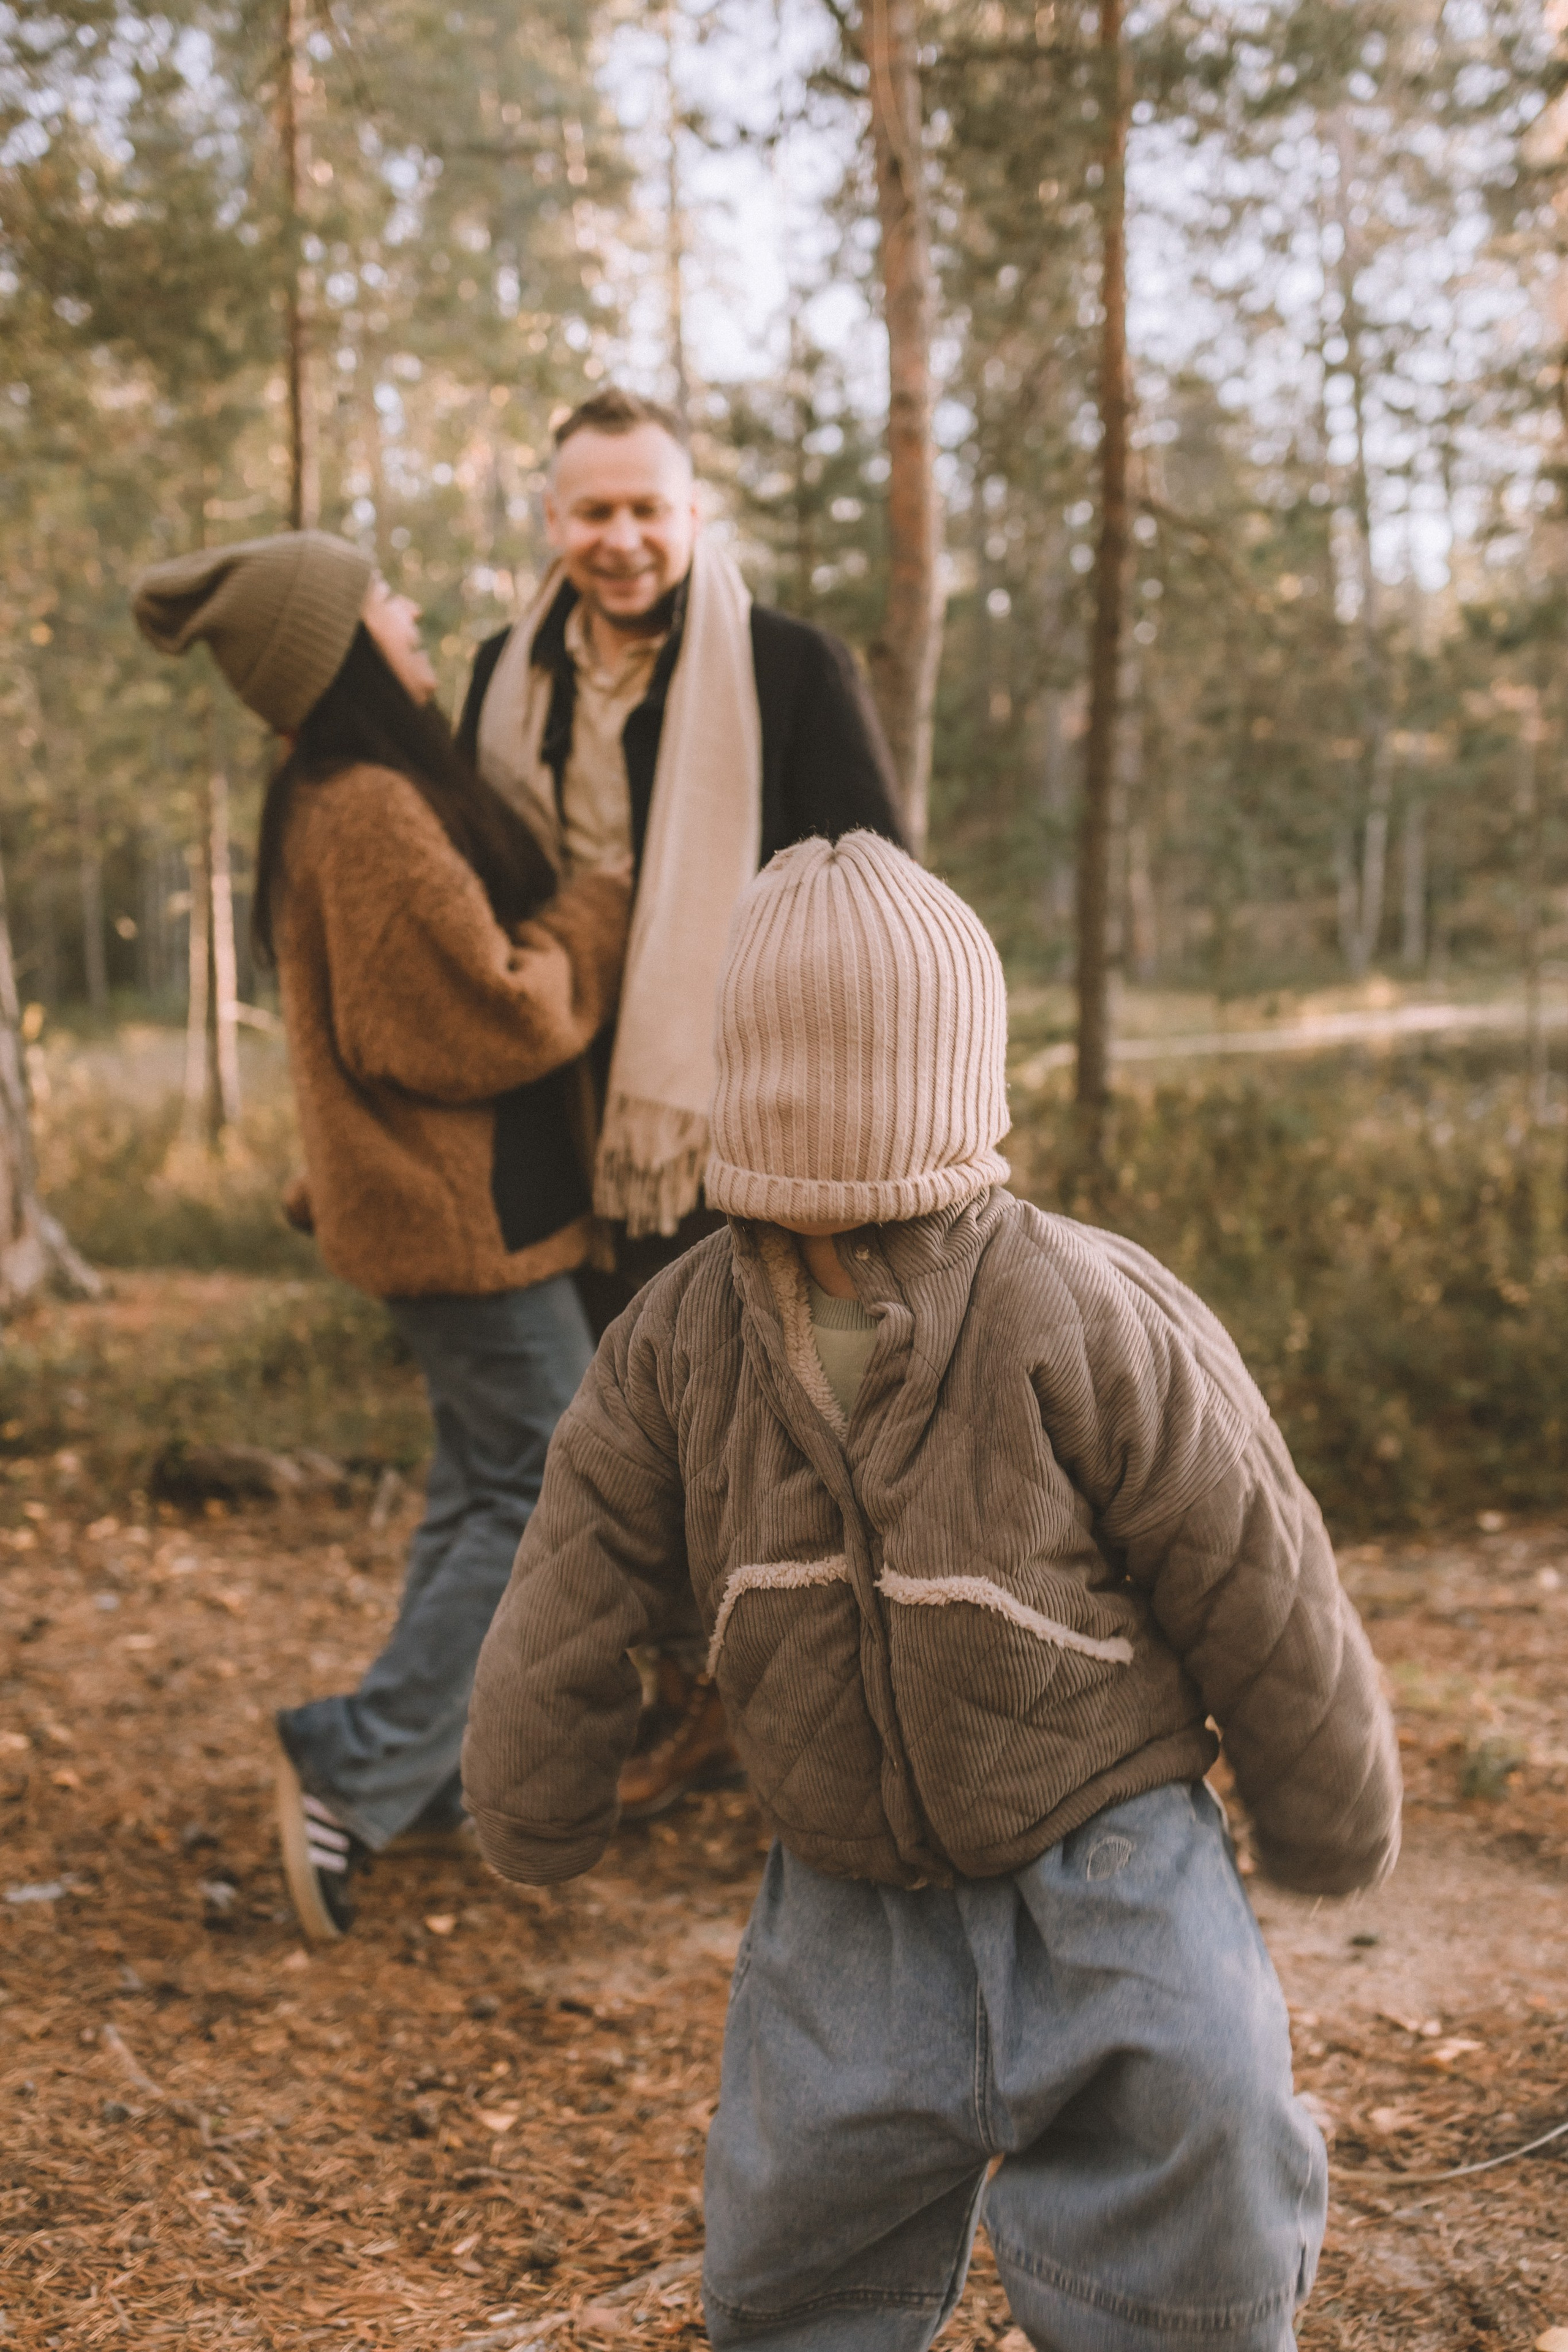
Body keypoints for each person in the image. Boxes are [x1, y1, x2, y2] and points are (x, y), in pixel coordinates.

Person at [462, 830, 1403, 2352]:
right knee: (798, 2213)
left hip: (1107, 1849)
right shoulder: (681, 1341)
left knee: (1200, 2125)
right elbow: (577, 1567)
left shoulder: (1081, 1307)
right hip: (840, 1885)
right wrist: (535, 1782)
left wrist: (1325, 1800)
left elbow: (1251, 1559)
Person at [132, 530, 629, 1942]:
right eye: (383, 598)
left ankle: (402, 1780)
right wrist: (592, 912)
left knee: (486, 1486)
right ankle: (352, 1767)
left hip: (461, 1211)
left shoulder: (349, 793)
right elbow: (468, 1014)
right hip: (452, 1220)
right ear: (340, 643)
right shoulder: (361, 806)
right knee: (547, 1483)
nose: (410, 612)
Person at [458, 385, 908, 1814]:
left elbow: (874, 885)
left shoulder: (785, 667)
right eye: (593, 511)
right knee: (618, 1426)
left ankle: (811, 1723)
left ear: (692, 514)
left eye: (648, 507)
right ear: (551, 522)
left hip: (731, 1114)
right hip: (557, 1117)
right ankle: (679, 1699)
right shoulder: (494, 678)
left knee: (772, 1417)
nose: (623, 538)